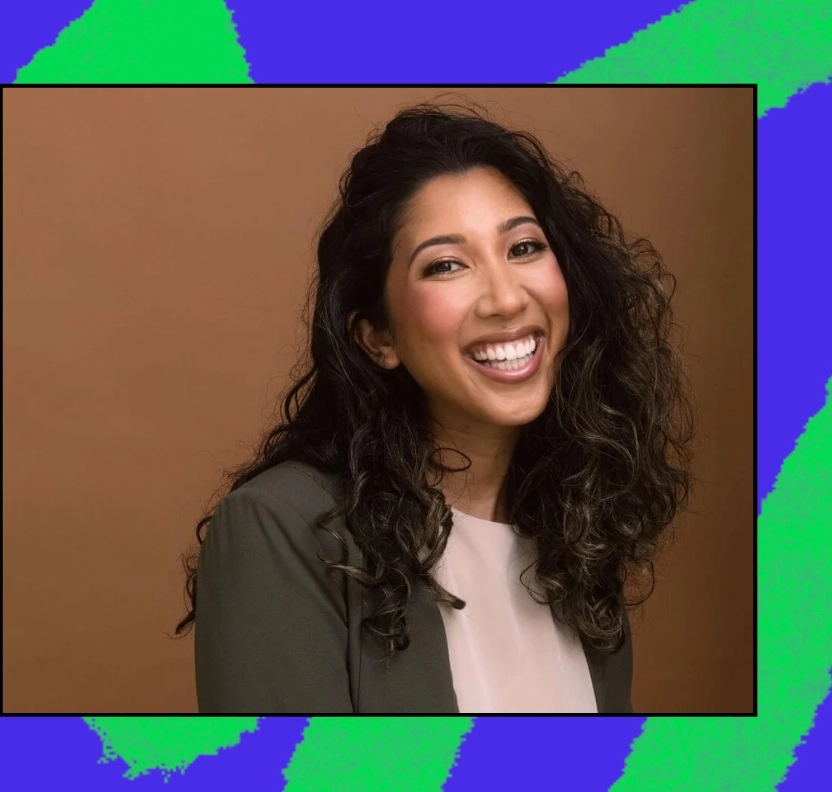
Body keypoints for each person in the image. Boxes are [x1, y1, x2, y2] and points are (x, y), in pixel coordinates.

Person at [175, 100, 693, 714]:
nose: (505, 297)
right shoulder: (281, 530)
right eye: (446, 264)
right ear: (379, 337)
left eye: (524, 248)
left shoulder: (576, 542)